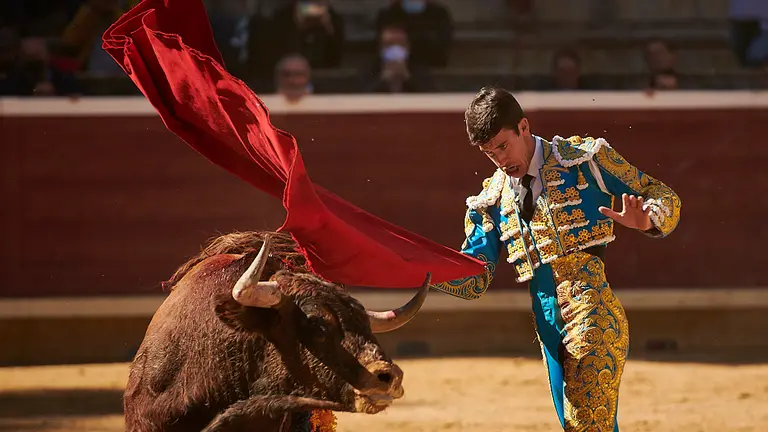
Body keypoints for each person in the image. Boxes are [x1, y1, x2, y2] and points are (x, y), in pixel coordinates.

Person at [431, 86, 681, 431]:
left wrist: (648, 219)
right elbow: (474, 277)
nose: (500, 160)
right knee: (582, 425)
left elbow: (662, 194)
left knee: (587, 425)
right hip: (546, 324)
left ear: (524, 127)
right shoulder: (492, 197)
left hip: (592, 310)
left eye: (503, 146)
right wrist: (419, 269)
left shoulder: (583, 159)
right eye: (489, 153)